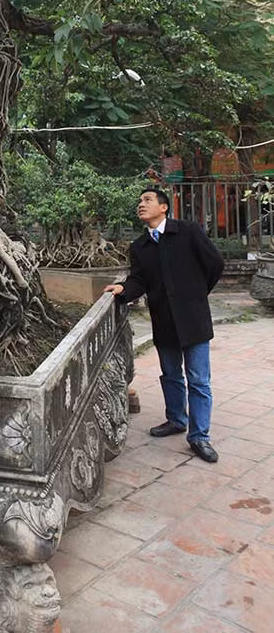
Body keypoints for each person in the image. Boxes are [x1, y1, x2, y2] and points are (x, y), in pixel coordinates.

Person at [105, 187, 224, 463]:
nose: (141, 204)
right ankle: (176, 420)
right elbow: (139, 281)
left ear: (164, 207)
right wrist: (122, 289)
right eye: (139, 201)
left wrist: (197, 293)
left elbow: (215, 263)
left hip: (193, 319)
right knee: (170, 374)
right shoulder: (140, 246)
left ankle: (199, 437)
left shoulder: (188, 231)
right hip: (164, 319)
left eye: (147, 200)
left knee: (198, 380)